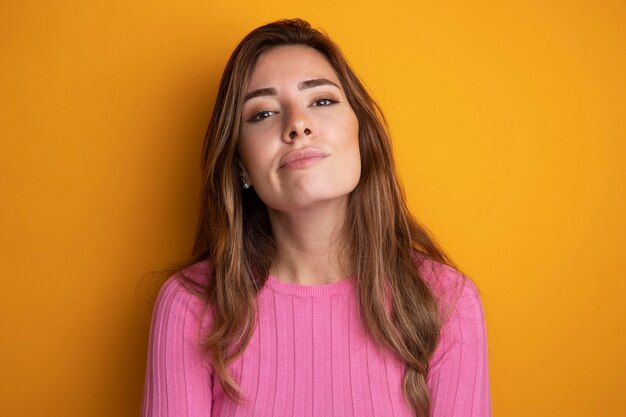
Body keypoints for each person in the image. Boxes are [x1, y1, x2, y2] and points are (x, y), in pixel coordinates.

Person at [141, 18, 491, 417]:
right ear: (240, 164)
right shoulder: (192, 306)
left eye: (321, 101)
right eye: (263, 113)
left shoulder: (446, 303)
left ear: (361, 134)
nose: (298, 125)